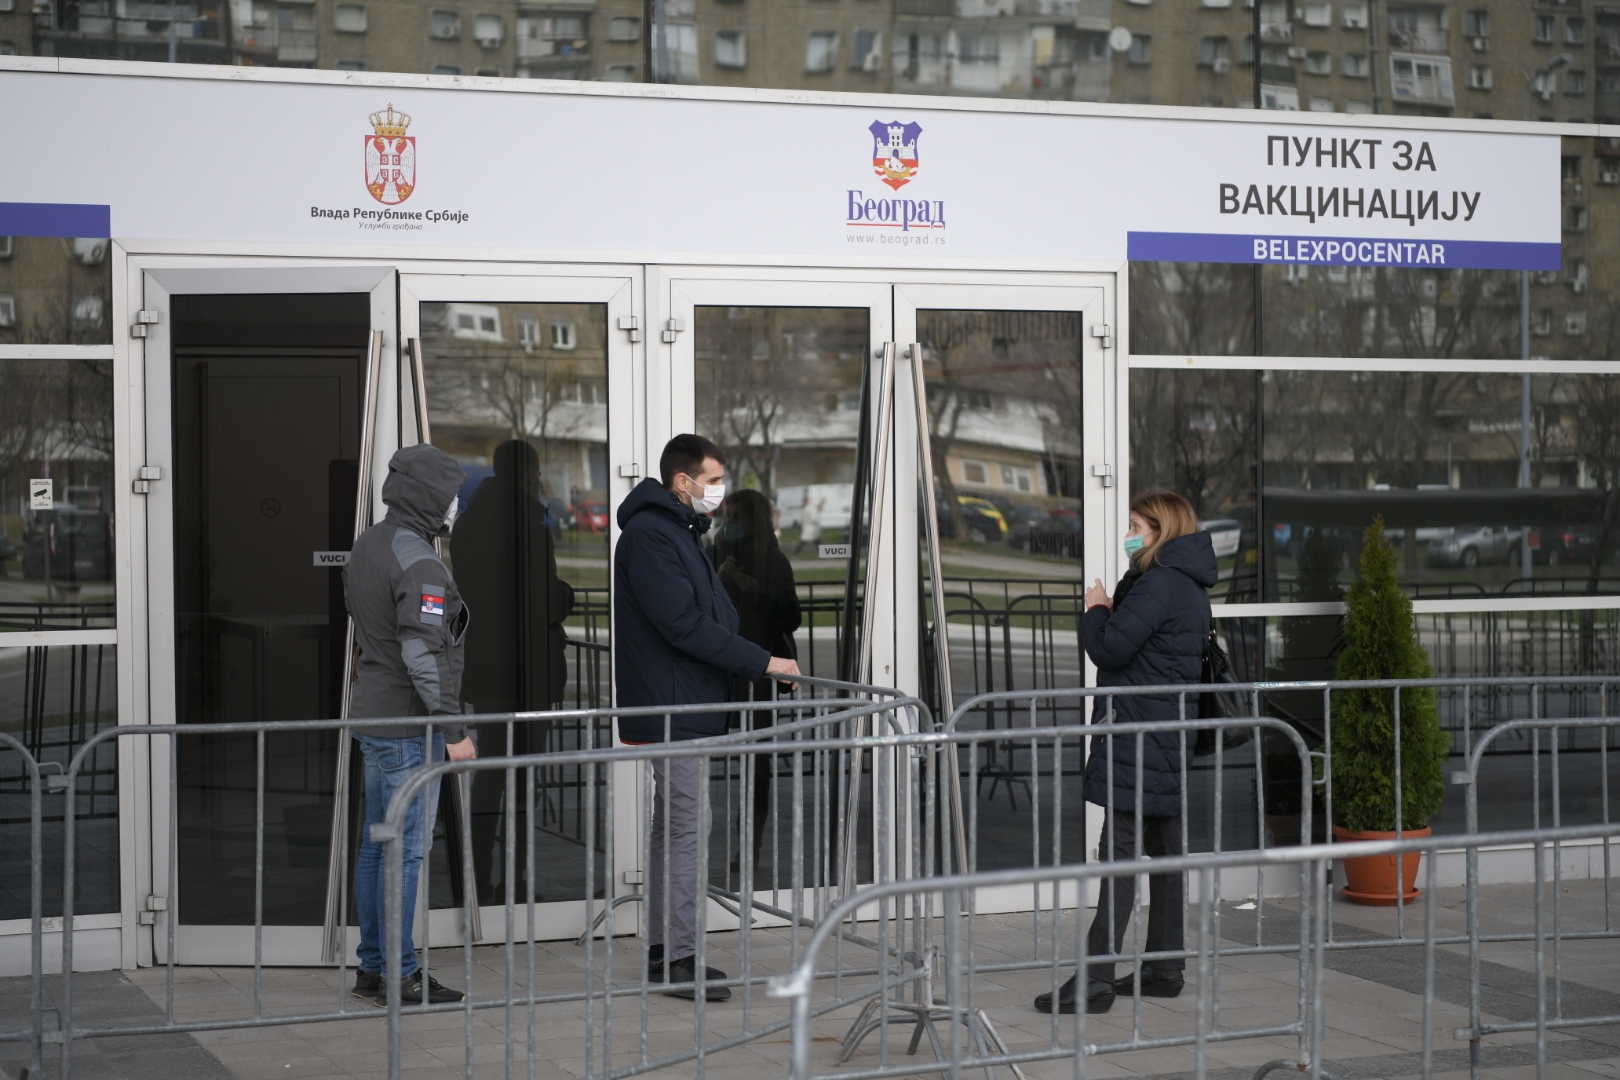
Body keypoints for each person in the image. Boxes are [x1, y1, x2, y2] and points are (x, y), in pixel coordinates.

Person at [614, 434, 802, 1001]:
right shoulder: (654, 536)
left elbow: (706, 613)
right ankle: (680, 959)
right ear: (683, 482)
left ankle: (666, 950)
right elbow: (684, 625)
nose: (717, 490)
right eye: (712, 479)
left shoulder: (676, 532)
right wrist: (763, 661)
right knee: (688, 828)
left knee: (674, 826)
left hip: (684, 702)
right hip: (676, 706)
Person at [1034, 489, 1215, 1017]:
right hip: (1164, 733)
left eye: (1137, 523)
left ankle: (1095, 980)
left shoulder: (1157, 582)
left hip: (1137, 734)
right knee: (1164, 853)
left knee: (1120, 854)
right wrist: (1116, 610)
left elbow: (1109, 647)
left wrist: (1095, 610)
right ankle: (1164, 967)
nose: (1129, 531)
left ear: (1161, 530)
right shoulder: (1184, 584)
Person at [344, 444, 479, 1008]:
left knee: (379, 844)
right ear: (430, 499)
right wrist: (453, 733)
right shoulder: (420, 561)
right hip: (406, 729)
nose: (455, 507)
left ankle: (374, 968)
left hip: (374, 720)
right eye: (450, 497)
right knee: (406, 853)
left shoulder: (369, 543)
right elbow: (422, 655)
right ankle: (402, 975)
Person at [451, 439, 576, 902]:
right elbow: (541, 598)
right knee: (522, 778)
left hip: (486, 668)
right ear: (530, 473)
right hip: (525, 671)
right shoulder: (526, 522)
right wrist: (565, 597)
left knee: (489, 776)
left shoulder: (469, 523)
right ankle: (516, 882)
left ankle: (476, 879)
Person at [711, 488, 802, 871]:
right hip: (716, 668)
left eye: (739, 519)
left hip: (759, 672)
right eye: (727, 518)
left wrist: (757, 591)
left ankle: (749, 846)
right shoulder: (715, 551)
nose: (730, 526)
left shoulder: (773, 560)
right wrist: (718, 579)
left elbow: (791, 617)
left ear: (757, 522)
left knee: (756, 764)